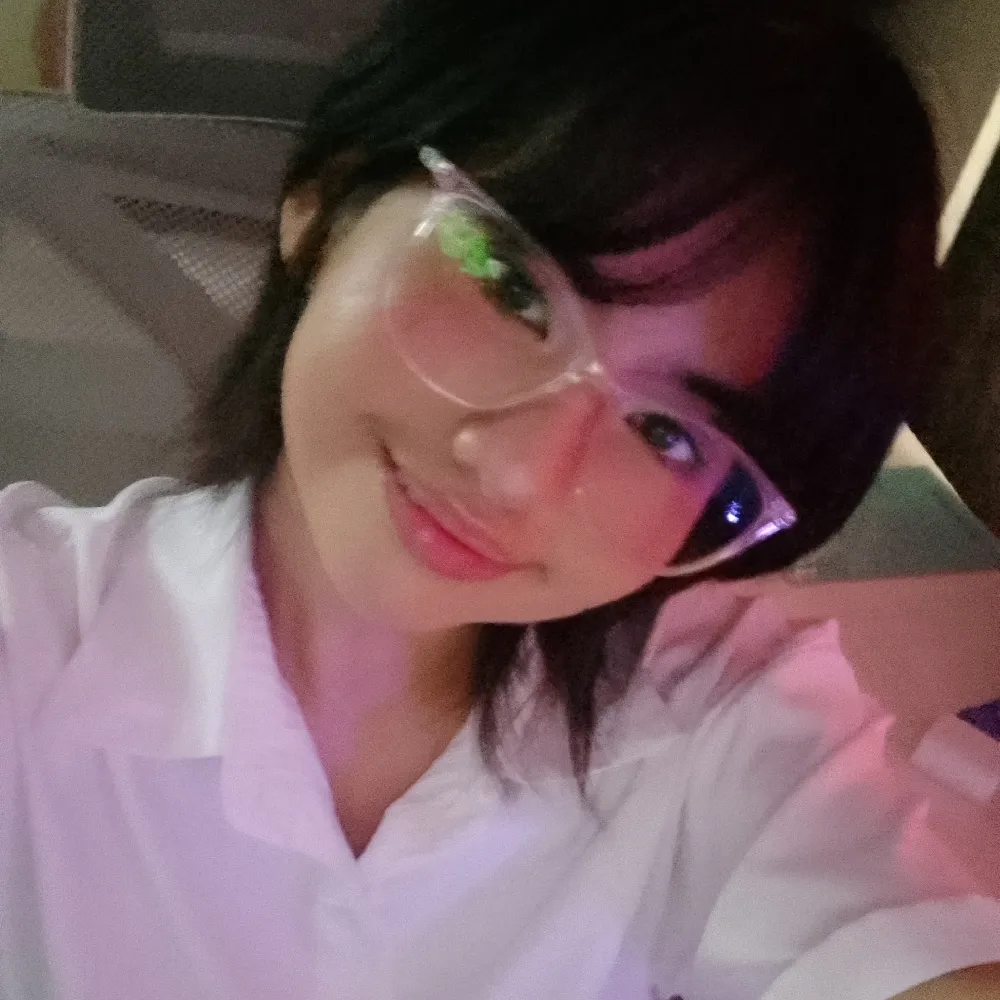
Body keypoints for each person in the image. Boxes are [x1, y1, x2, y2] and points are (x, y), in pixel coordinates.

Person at [2, 0, 999, 997]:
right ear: (327, 200)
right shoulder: (29, 631)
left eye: (667, 435)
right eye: (512, 290)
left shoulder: (724, 714)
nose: (522, 473)